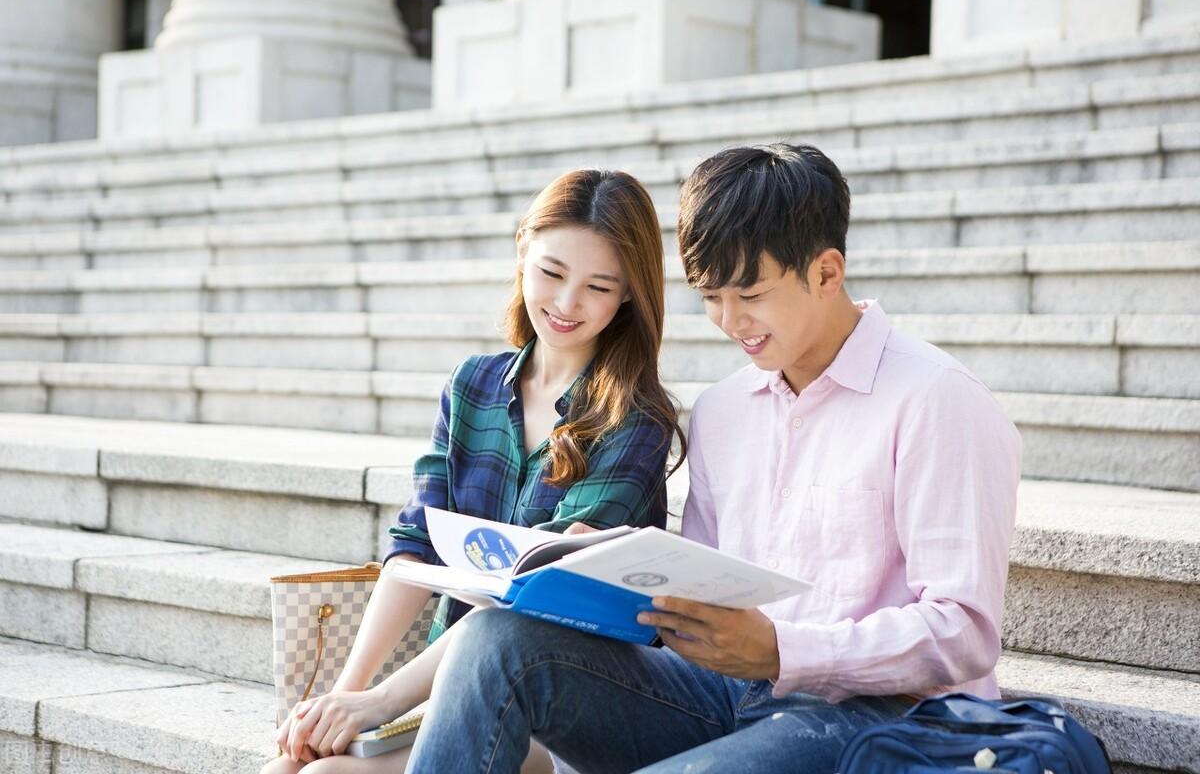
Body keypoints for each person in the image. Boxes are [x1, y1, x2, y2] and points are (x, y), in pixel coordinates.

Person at [403, 143, 1023, 773]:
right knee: (494, 641)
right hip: (728, 694)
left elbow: (964, 631)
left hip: (882, 716)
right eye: (711, 296)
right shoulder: (725, 409)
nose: (730, 321)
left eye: (750, 294)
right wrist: (612, 570)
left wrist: (780, 650)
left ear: (826, 273)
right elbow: (701, 589)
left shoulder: (935, 399)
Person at [261, 169, 685, 773]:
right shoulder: (474, 385)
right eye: (552, 273)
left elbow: (537, 593)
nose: (567, 304)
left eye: (598, 286)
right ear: (523, 250)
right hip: (449, 678)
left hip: (560, 695)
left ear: (627, 296)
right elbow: (415, 548)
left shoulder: (634, 418)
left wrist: (380, 701)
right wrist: (341, 699)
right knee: (291, 766)